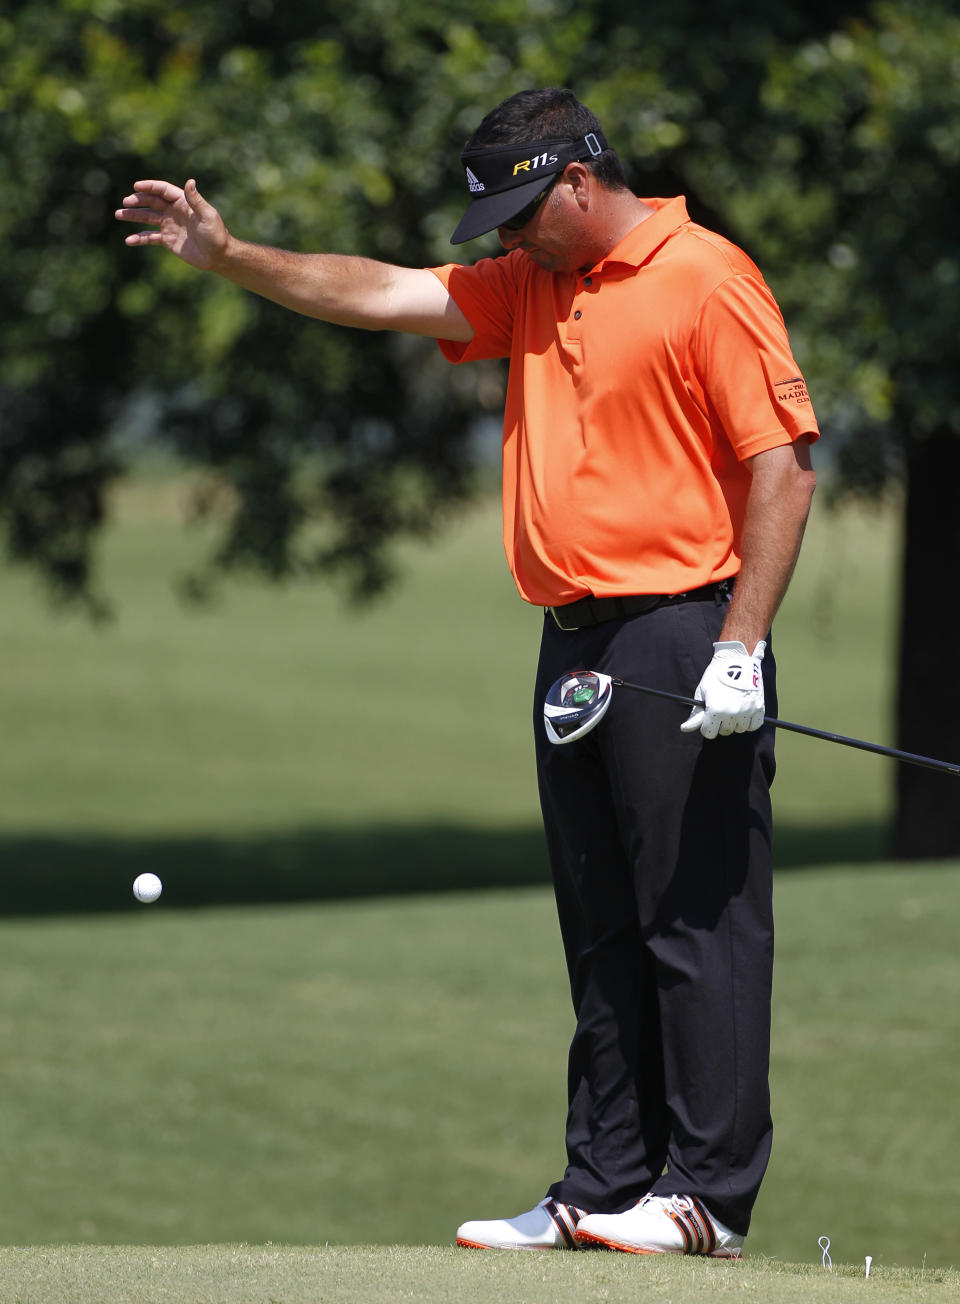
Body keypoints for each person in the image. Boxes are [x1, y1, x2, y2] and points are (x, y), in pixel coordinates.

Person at [116, 86, 818, 1258]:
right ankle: (604, 1183)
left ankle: (705, 1195)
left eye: (519, 211)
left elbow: (784, 466)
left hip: (685, 630)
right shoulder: (535, 282)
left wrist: (740, 645)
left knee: (698, 922)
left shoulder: (708, 275)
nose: (503, 237)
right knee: (602, 927)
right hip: (575, 640)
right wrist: (230, 255)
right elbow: (386, 292)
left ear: (580, 185)